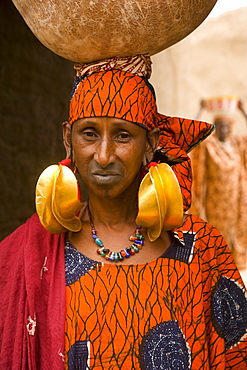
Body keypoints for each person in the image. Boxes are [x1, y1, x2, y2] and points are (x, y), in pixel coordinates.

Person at [0, 55, 247, 370]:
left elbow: (237, 356)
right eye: (89, 133)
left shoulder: (202, 250)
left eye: (122, 135)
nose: (103, 156)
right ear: (67, 139)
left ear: (150, 143)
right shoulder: (31, 252)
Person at [190, 99, 247, 270]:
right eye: (219, 126)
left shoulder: (237, 144)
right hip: (216, 201)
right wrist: (200, 111)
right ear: (215, 128)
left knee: (237, 229)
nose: (223, 129)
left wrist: (243, 110)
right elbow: (193, 136)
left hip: (236, 198)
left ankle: (236, 262)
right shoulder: (210, 145)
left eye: (226, 126)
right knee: (218, 231)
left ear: (231, 128)